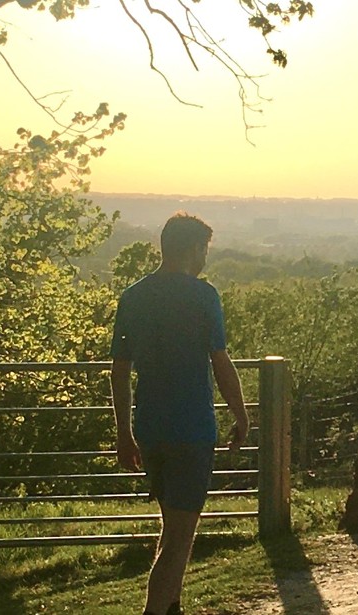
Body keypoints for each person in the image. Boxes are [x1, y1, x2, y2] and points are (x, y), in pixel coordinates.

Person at [110, 212, 248, 615]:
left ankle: (173, 608)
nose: (205, 257)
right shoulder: (204, 297)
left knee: (171, 526)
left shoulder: (133, 296)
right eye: (204, 249)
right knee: (179, 541)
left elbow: (119, 370)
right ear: (192, 249)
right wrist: (240, 414)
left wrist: (123, 433)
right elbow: (220, 362)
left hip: (149, 430)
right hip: (192, 430)